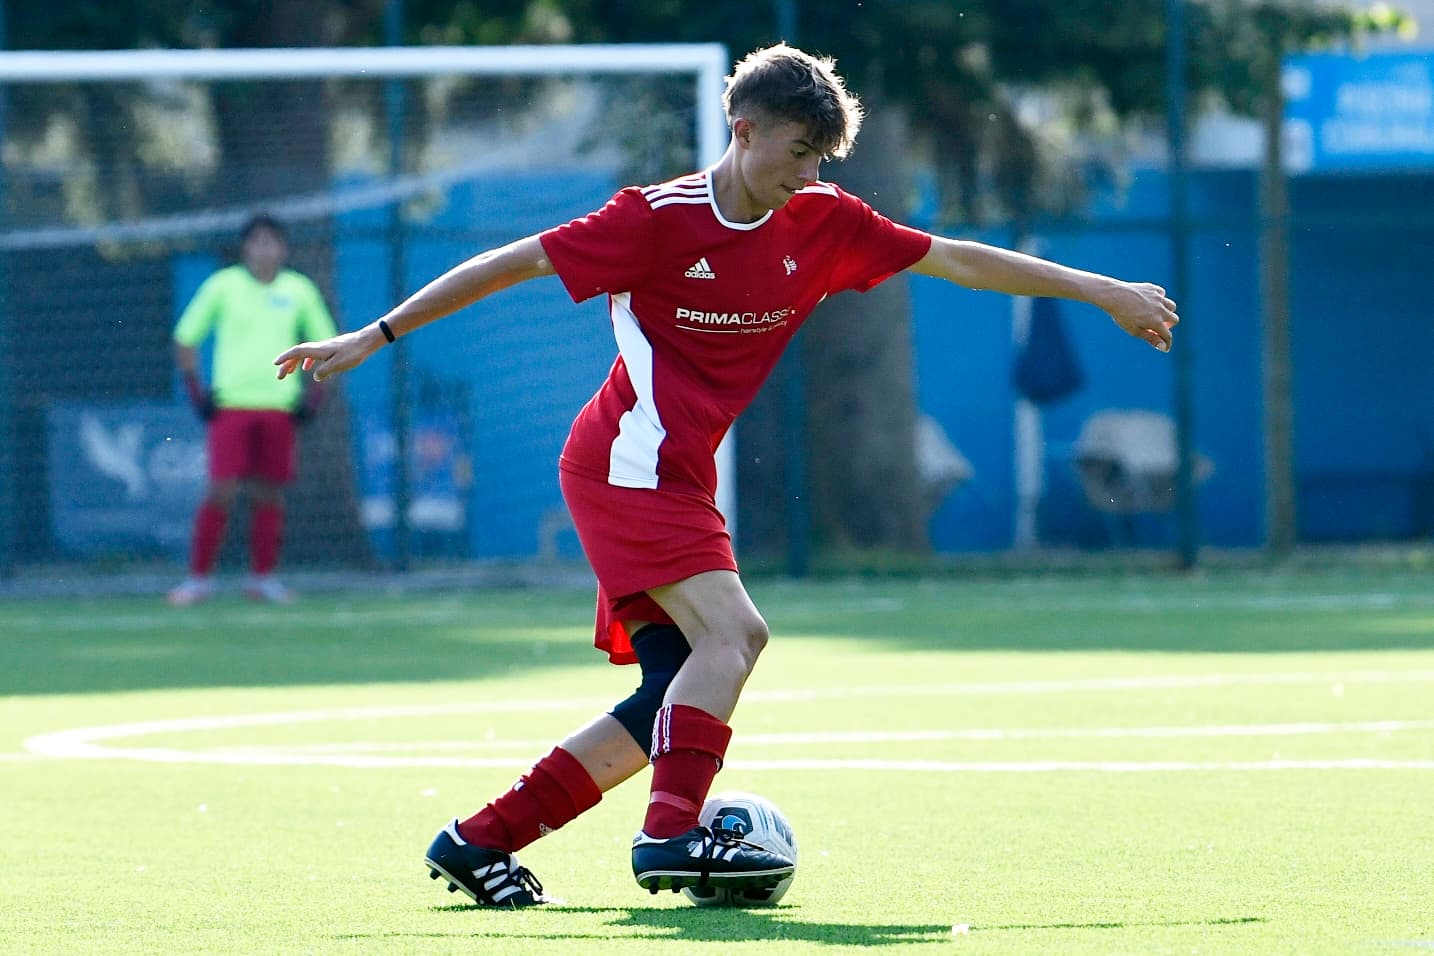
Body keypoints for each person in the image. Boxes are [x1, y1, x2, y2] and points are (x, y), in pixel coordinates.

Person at [275, 43, 1178, 906]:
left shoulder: (823, 222)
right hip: (628, 464)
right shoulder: (655, 220)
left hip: (673, 473)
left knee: (670, 694)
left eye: (824, 157)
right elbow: (511, 263)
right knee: (736, 637)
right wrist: (375, 335)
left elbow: (958, 260)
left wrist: (1100, 289)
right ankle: (670, 832)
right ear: (744, 128)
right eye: (798, 151)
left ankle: (479, 840)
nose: (811, 175)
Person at [169, 214, 339, 606]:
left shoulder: (299, 290)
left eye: (272, 241)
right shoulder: (223, 286)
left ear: (283, 248)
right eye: (256, 241)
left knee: (270, 493)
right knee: (221, 490)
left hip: (278, 408)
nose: (264, 249)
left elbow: (328, 344)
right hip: (232, 406)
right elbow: (185, 338)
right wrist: (197, 393)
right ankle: (198, 580)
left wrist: (314, 399)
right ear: (245, 247)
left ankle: (263, 578)